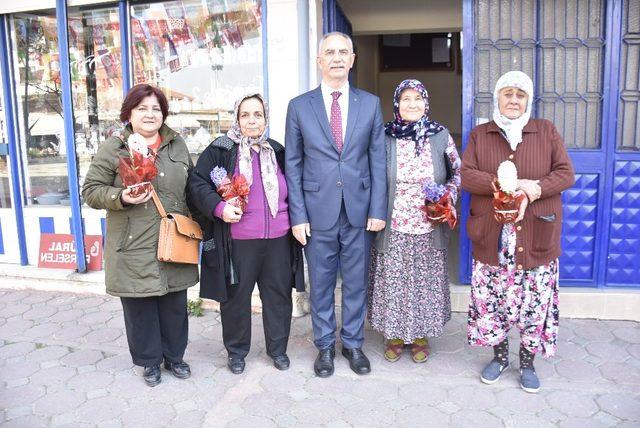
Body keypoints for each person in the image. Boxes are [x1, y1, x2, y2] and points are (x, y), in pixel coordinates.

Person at [461, 70, 575, 393]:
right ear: (497, 97)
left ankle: (527, 362)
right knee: (494, 300)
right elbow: (467, 175)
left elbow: (566, 174)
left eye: (520, 94)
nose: (513, 99)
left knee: (533, 302)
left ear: (528, 100)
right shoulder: (481, 135)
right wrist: (500, 184)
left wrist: (535, 189)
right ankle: (500, 357)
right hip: (493, 236)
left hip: (536, 235)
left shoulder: (546, 131)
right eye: (507, 93)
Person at [82, 84, 199, 387]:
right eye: (142, 108)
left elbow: (192, 189)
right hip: (133, 244)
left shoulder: (177, 145)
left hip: (173, 239)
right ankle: (149, 363)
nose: (150, 114)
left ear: (164, 114)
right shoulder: (115, 146)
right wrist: (121, 196)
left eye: (156, 109)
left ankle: (175, 357)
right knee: (140, 306)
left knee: (175, 304)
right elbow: (91, 191)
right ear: (129, 113)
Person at [285, 31, 387, 377]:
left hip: (359, 211)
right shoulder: (299, 106)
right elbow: (293, 164)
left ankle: (353, 344)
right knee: (322, 284)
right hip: (317, 212)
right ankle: (325, 346)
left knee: (357, 282)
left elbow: (378, 159)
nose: (337, 57)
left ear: (353, 59)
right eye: (330, 52)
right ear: (320, 60)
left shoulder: (370, 104)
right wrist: (297, 215)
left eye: (344, 52)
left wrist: (377, 209)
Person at [188, 94, 305, 374]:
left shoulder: (276, 150)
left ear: (266, 118)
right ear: (237, 118)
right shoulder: (221, 148)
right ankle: (237, 351)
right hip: (238, 242)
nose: (252, 120)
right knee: (236, 300)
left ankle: (278, 350)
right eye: (246, 114)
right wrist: (219, 208)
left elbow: (296, 187)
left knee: (278, 297)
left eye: (258, 114)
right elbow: (197, 184)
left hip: (278, 239)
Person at [368, 79, 461, 363]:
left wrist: (448, 196)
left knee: (424, 283)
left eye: (417, 99)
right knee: (393, 281)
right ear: (397, 103)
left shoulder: (440, 136)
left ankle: (420, 336)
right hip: (393, 223)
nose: (412, 104)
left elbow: (457, 171)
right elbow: (371, 175)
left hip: (428, 225)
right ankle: (395, 335)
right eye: (406, 98)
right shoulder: (385, 136)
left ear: (426, 103)